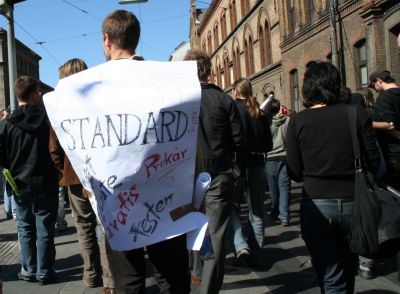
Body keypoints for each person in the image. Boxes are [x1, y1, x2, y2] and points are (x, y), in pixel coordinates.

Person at [100, 10, 190, 294]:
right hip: (168, 196)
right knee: (172, 276)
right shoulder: (169, 82)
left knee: (129, 280)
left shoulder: (92, 90)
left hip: (118, 204)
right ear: (136, 39)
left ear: (106, 40)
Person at [286, 61, 381, 293]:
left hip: (317, 205)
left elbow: (294, 173)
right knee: (349, 270)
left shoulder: (298, 121)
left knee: (330, 277)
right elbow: (375, 162)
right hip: (354, 203)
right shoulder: (355, 114)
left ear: (308, 87)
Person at [49, 58, 115, 293]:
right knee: (104, 225)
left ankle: (90, 276)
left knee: (83, 227)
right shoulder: (100, 102)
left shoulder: (58, 107)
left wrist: (64, 172)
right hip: (101, 175)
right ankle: (110, 280)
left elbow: (54, 149)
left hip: (74, 178)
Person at [185, 50, 242, 293]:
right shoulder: (224, 100)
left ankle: (195, 281)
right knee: (216, 237)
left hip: (186, 181)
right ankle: (206, 288)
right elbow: (238, 141)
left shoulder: (180, 101)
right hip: (219, 177)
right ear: (208, 70)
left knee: (192, 236)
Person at [0, 76, 59, 285]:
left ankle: (28, 269)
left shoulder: (6, 125)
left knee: (25, 228)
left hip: (19, 184)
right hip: (46, 182)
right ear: (34, 94)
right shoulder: (47, 121)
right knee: (44, 228)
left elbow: (2, 158)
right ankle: (44, 271)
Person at [229, 78, 271, 265]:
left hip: (238, 165)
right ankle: (258, 254)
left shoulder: (232, 110)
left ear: (235, 92)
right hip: (257, 164)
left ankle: (240, 247)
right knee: (257, 212)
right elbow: (268, 144)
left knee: (234, 208)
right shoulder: (259, 113)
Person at [368, 70, 400, 191]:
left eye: (373, 85)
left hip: (393, 152)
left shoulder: (385, 98)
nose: (374, 89)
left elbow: (389, 125)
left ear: (379, 81)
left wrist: (366, 123)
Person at [265, 97, 291, 226]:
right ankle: (284, 216)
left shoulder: (266, 122)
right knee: (284, 188)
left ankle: (275, 210)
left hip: (270, 158)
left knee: (273, 188)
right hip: (284, 157)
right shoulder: (287, 120)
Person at [0, 108, 17, 220]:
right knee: (7, 185)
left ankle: (11, 211)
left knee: (8, 185)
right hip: (5, 161)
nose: (8, 119)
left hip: (8, 161)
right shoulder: (3, 127)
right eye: (6, 116)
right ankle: (10, 211)